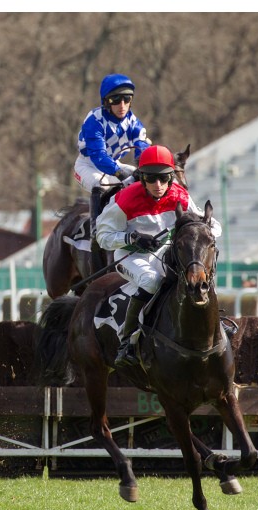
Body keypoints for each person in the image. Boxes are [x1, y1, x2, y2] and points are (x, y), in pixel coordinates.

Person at [95, 144, 222, 371]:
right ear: (142, 179)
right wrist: (131, 238)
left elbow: (207, 225)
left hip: (166, 253)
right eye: (152, 179)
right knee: (152, 281)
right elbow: (102, 237)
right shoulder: (124, 200)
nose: (158, 185)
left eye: (164, 179)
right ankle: (128, 342)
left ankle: (215, 329)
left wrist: (207, 231)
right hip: (131, 256)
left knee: (198, 274)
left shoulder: (180, 195)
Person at [74, 73, 151, 228]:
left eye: (126, 99)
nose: (122, 105)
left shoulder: (134, 122)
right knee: (99, 186)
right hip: (88, 165)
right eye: (115, 100)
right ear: (106, 102)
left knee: (147, 180)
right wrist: (119, 173)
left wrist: (144, 168)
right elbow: (99, 157)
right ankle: (96, 231)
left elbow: (142, 149)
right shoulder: (94, 121)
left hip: (114, 164)